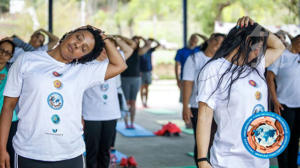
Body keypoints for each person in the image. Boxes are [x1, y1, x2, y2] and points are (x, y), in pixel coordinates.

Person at [0, 25, 127, 168]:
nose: (78, 45)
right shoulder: (26, 60)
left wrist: (104, 38)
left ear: (83, 56)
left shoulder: (83, 71)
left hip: (71, 154)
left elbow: (119, 65)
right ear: (68, 34)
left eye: (84, 49)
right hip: (29, 152)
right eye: (78, 37)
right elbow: (8, 107)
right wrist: (2, 148)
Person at [196, 16, 285, 168]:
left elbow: (279, 46)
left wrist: (257, 27)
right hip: (228, 160)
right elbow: (205, 117)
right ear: (246, 42)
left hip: (259, 159)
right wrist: (202, 159)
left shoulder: (255, 66)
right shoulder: (214, 69)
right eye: (257, 47)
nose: (259, 52)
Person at [82, 35, 133, 168]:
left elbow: (129, 49)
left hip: (110, 114)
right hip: (91, 115)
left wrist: (114, 38)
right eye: (104, 47)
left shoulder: (114, 61)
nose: (107, 51)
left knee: (105, 151)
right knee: (92, 152)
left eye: (110, 48)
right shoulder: (85, 63)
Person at [182, 33, 225, 166]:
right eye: (215, 40)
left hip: (219, 107)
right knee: (201, 142)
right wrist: (185, 106)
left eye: (221, 42)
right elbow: (188, 83)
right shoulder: (194, 58)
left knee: (216, 141)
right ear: (209, 41)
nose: (218, 44)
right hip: (198, 106)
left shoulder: (224, 60)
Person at [266, 34, 300, 168]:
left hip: (299, 106)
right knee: (283, 139)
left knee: (295, 138)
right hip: (284, 104)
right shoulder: (281, 56)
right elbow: (269, 78)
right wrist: (275, 101)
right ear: (296, 41)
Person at [120, 36, 149, 129]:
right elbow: (121, 42)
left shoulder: (138, 52)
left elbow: (148, 45)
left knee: (133, 103)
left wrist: (142, 38)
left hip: (136, 79)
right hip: (125, 78)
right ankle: (125, 123)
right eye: (134, 41)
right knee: (126, 102)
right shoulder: (124, 51)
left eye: (137, 42)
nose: (135, 43)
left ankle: (132, 123)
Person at [0, 39, 18, 168]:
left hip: (10, 120)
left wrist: (16, 39)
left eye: (7, 53)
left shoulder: (12, 70)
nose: (3, 54)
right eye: (1, 50)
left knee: (9, 155)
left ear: (11, 56)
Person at [175, 33, 207, 103]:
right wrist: (178, 80)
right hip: (185, 78)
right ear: (189, 40)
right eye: (192, 40)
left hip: (197, 79)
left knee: (196, 101)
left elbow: (207, 41)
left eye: (195, 41)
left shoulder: (199, 49)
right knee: (185, 101)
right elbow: (177, 66)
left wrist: (198, 34)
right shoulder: (181, 51)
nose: (193, 42)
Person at [140, 38, 160, 107]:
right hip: (141, 72)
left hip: (148, 71)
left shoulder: (150, 50)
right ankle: (142, 102)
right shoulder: (141, 49)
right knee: (142, 88)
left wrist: (154, 40)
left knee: (147, 88)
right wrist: (144, 40)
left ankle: (146, 102)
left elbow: (158, 45)